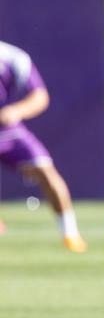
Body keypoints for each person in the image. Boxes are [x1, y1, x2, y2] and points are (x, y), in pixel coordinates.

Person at [0, 41, 87, 251]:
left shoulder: (12, 57)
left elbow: (39, 96)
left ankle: (70, 234)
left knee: (44, 169)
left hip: (7, 130)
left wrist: (16, 111)